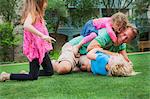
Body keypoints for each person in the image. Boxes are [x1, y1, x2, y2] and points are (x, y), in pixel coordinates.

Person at [0, 0, 56, 82]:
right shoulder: (33, 13)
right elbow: (26, 25)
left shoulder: (38, 15)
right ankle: (6, 76)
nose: (46, 4)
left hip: (41, 48)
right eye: (45, 2)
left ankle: (26, 73)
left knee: (49, 71)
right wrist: (42, 35)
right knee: (33, 77)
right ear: (39, 3)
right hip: (35, 49)